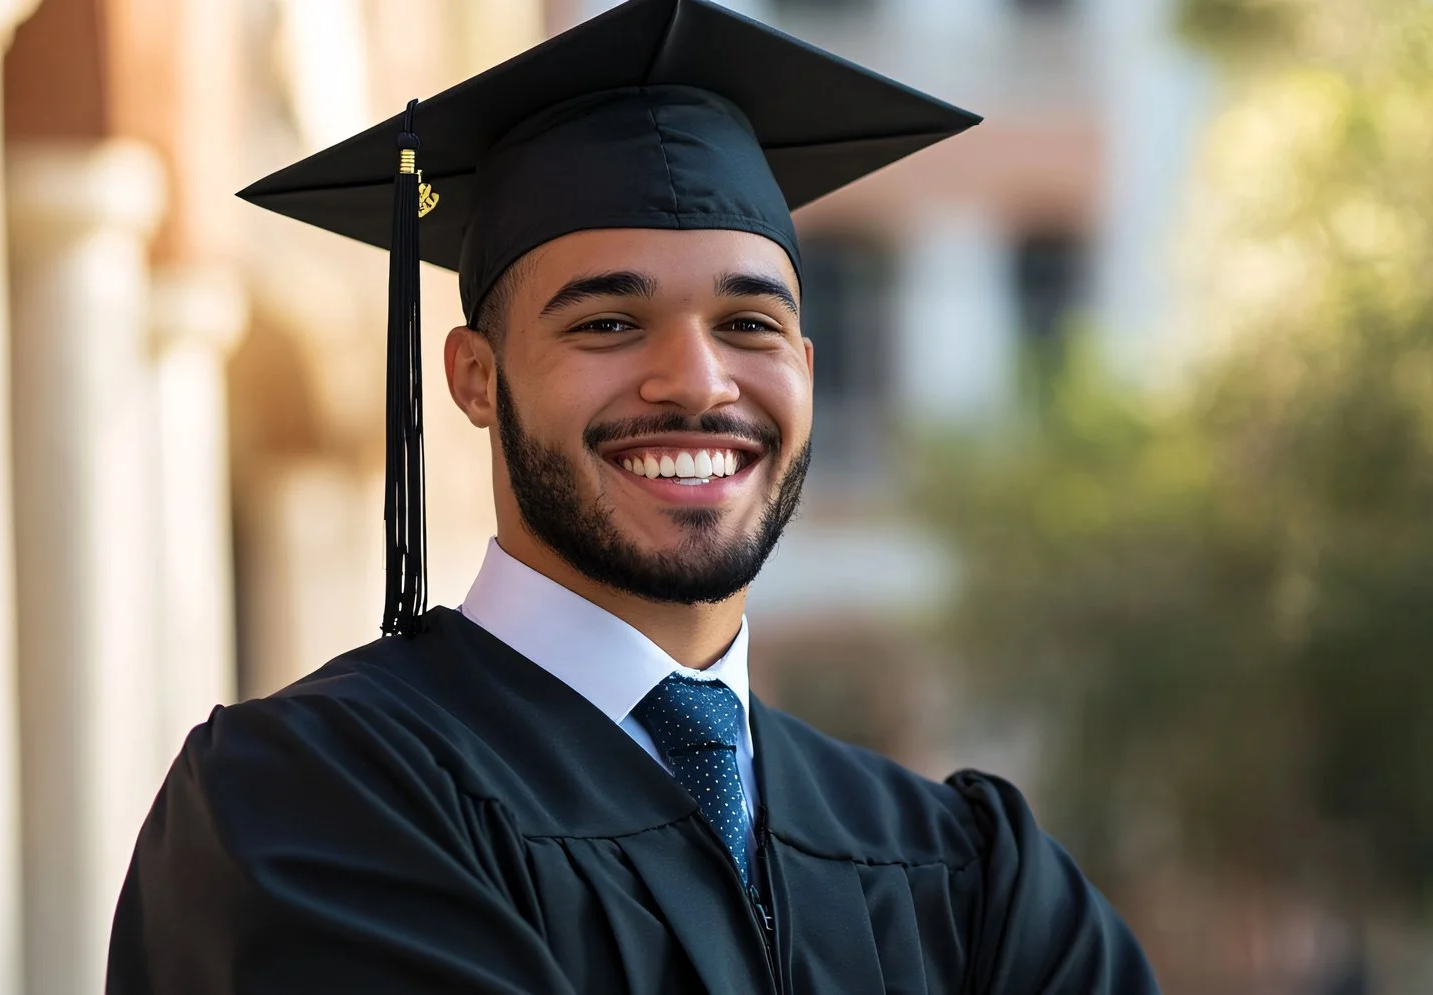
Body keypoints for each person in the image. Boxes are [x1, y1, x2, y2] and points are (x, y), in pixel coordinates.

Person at [103, 2, 1156, 992]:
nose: (697, 381)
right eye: (607, 323)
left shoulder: (972, 871)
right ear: (473, 375)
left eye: (749, 324)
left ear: (808, 369)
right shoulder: (306, 802)